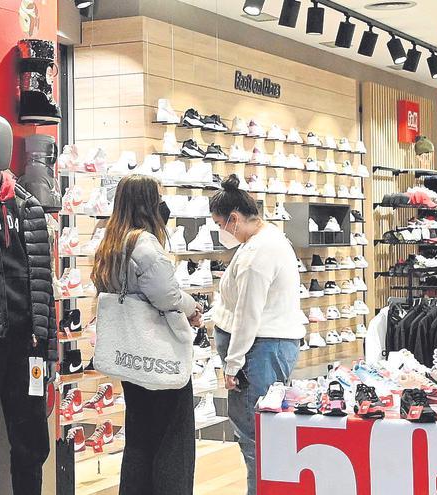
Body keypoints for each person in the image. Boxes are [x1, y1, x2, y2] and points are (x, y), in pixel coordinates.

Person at [91, 174, 202, 495]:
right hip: (158, 355)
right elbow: (167, 295)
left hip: (130, 353)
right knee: (173, 436)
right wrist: (192, 306)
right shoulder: (145, 244)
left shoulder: (111, 241)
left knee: (140, 434)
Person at [208, 175, 305, 495]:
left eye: (220, 224)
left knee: (257, 440)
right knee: (261, 437)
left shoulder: (257, 254)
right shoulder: (265, 239)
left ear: (234, 219)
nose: (221, 232)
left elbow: (248, 315)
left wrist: (233, 364)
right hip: (265, 347)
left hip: (259, 351)